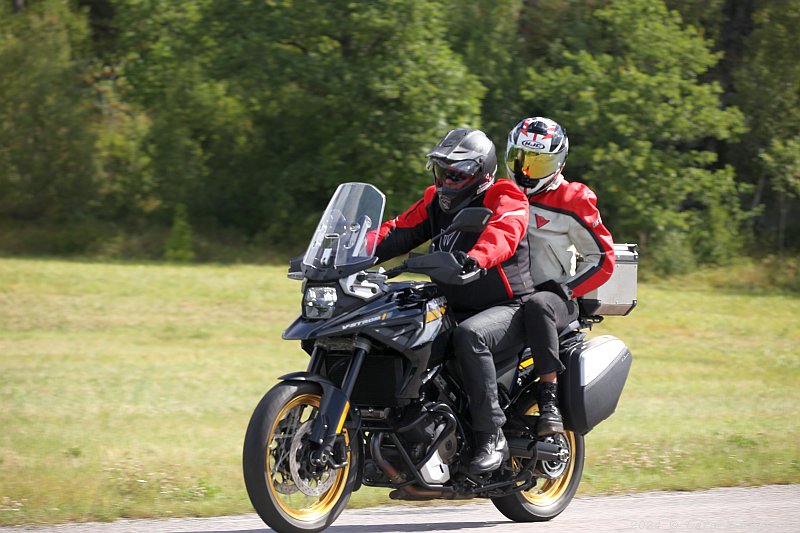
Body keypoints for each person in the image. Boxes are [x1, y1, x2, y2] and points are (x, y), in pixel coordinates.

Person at [374, 128, 533, 473]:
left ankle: (492, 436)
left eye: (457, 174)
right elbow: (397, 230)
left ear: (481, 173)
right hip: (451, 304)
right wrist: (349, 251)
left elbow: (505, 232)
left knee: (470, 336)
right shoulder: (436, 199)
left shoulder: (505, 195)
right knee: (392, 329)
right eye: (443, 172)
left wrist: (477, 257)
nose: (447, 180)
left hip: (507, 308)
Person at [505, 117, 616, 435]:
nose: (527, 171)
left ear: (558, 163)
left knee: (539, 304)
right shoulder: (499, 194)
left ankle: (549, 401)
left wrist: (565, 289)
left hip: (556, 298)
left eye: (539, 163)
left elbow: (603, 258)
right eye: (522, 160)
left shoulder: (573, 199)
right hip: (508, 293)